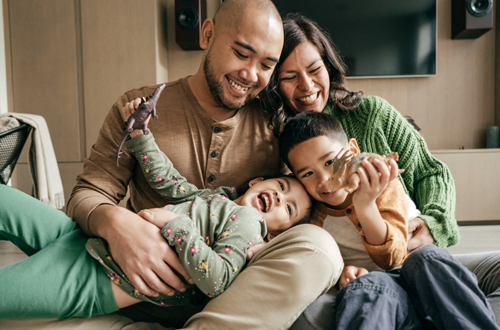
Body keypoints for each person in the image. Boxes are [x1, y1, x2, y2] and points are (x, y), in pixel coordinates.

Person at [0, 1, 342, 329]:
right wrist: (116, 224)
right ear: (207, 34)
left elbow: (307, 204)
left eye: (267, 65)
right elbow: (91, 192)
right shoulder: (139, 108)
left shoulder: (275, 132)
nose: (251, 74)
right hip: (99, 243)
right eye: (241, 53)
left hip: (130, 288)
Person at [259, 12, 500, 329]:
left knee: (437, 266)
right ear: (276, 83)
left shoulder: (371, 114)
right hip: (360, 275)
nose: (306, 85)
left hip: (415, 256)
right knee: (362, 296)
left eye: (315, 69)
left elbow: (431, 172)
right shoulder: (272, 139)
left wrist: (434, 223)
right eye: (290, 76)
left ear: (328, 67)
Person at [0, 117, 315, 318]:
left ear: (276, 234)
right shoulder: (216, 199)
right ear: (258, 182)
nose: (279, 197)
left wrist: (176, 227)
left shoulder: (248, 227)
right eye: (282, 186)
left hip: (100, 278)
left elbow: (216, 281)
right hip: (85, 237)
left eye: (289, 209)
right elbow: (170, 183)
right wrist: (141, 139)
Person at [279, 110, 499, 330]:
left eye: (330, 162)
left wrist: (365, 205)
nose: (324, 179)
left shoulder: (383, 185)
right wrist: (341, 275)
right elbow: (318, 261)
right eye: (307, 174)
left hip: (417, 271)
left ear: (353, 150)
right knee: (365, 288)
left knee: (427, 258)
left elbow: (393, 257)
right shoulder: (314, 218)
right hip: (381, 287)